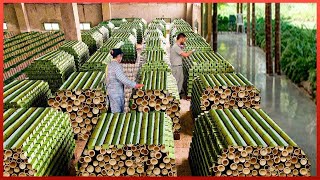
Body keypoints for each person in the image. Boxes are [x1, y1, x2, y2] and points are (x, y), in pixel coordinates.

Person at [106, 48, 144, 113]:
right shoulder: (116, 66)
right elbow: (122, 79)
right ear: (118, 56)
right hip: (116, 92)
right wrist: (135, 85)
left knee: (115, 111)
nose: (121, 58)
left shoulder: (109, 64)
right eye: (121, 56)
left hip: (111, 91)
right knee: (117, 114)